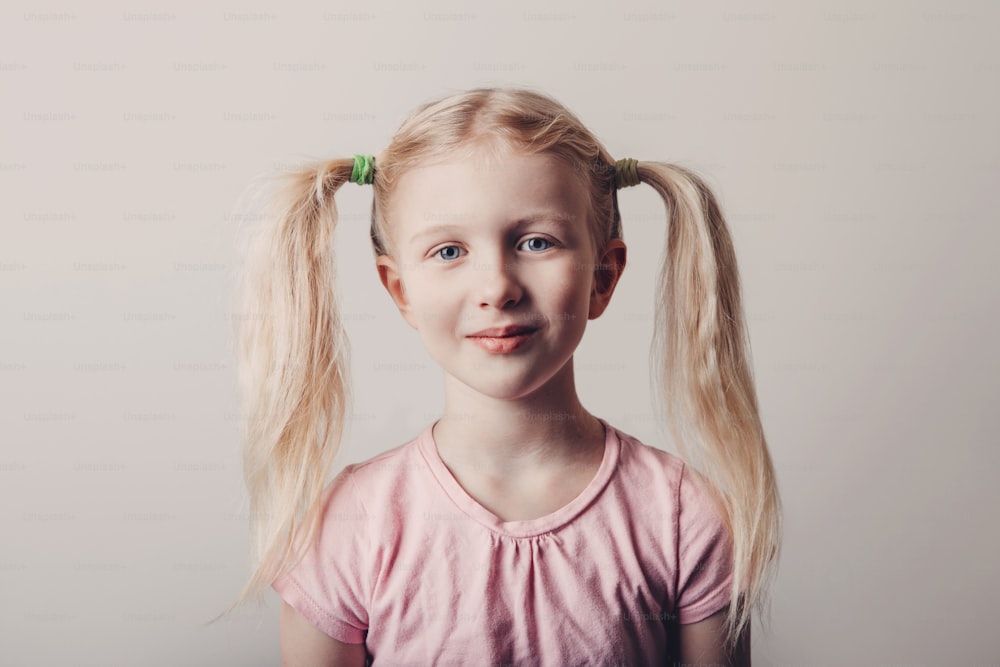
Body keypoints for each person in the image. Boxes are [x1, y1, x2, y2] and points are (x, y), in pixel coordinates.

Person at [213, 86, 782, 666]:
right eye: (449, 251)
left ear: (603, 276)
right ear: (401, 291)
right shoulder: (348, 524)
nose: (497, 288)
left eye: (536, 242)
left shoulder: (684, 518)